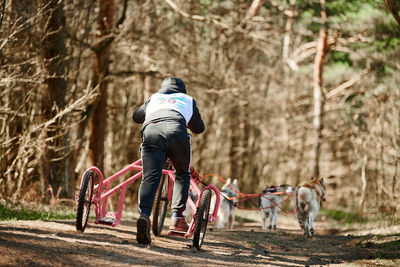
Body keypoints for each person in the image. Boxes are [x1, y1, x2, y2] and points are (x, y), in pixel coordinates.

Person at [132, 77, 205, 245]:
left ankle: (144, 214)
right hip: (176, 131)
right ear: (182, 90)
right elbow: (199, 128)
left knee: (150, 176)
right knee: (182, 173)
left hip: (151, 131)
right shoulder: (187, 100)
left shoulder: (154, 97)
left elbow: (136, 117)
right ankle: (177, 218)